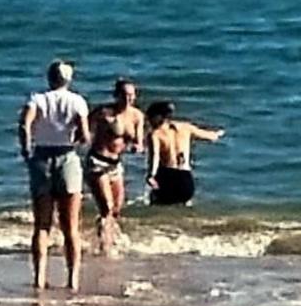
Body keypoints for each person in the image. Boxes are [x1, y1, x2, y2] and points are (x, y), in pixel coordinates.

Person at [17, 60, 92, 290]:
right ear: (68, 80)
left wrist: (26, 148)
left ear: (49, 78)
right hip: (66, 156)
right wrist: (76, 140)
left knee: (42, 224)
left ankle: (39, 277)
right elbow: (85, 135)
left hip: (41, 157)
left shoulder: (38, 99)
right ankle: (72, 279)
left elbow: (24, 125)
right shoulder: (77, 101)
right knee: (70, 227)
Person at [83, 77, 146, 255]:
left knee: (117, 209)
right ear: (117, 95)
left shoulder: (137, 116)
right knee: (107, 207)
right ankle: (105, 247)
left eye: (132, 95)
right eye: (125, 95)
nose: (128, 99)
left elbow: (138, 140)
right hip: (97, 161)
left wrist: (138, 147)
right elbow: (84, 127)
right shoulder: (104, 112)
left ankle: (100, 237)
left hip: (115, 165)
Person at [144, 101, 224, 207]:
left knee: (157, 207)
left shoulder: (155, 134)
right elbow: (210, 137)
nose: (149, 122)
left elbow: (155, 157)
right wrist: (218, 134)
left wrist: (151, 176)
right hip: (186, 179)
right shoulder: (186, 128)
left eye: (150, 118)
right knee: (184, 206)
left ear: (158, 117)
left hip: (167, 177)